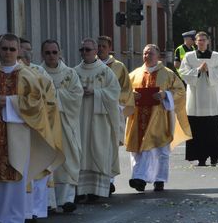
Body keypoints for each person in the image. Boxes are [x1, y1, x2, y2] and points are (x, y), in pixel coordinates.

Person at [0, 34, 63, 223]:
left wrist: (8, 102)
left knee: (15, 178)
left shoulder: (27, 75)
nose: (8, 53)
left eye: (12, 49)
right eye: (4, 48)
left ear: (18, 51)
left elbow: (36, 103)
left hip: (17, 135)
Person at [126, 44, 191, 192]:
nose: (146, 56)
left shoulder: (168, 74)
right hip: (138, 117)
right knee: (138, 149)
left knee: (161, 150)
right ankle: (139, 178)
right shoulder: (135, 74)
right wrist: (131, 96)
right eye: (144, 53)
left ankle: (159, 179)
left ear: (158, 56)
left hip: (160, 116)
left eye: (150, 53)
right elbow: (124, 92)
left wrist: (165, 95)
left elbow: (180, 91)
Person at [74, 38, 121, 202]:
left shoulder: (105, 71)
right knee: (80, 152)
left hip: (99, 120)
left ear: (95, 52)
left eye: (88, 50)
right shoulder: (74, 72)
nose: (85, 53)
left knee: (98, 150)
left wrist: (95, 92)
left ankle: (96, 190)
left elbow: (114, 93)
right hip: (79, 119)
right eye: (83, 50)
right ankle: (79, 191)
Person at [41, 40, 83, 213]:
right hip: (45, 123)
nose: (51, 56)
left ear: (60, 52)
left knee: (67, 157)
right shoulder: (38, 72)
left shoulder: (70, 73)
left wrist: (54, 95)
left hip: (66, 122)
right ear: (42, 54)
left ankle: (66, 199)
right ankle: (49, 201)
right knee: (47, 159)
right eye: (48, 52)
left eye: (54, 52)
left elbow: (77, 95)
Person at [179, 31, 218, 166]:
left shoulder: (217, 57)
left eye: (203, 40)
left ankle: (215, 156)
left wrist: (209, 71)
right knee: (197, 130)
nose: (201, 42)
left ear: (208, 42)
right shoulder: (189, 57)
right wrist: (198, 70)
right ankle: (200, 157)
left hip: (212, 98)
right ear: (195, 42)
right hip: (195, 99)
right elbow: (183, 73)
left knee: (213, 129)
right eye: (198, 40)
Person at [97, 35, 134, 194]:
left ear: (109, 48)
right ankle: (97, 180)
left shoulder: (118, 67)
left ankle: (110, 180)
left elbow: (126, 89)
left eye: (103, 46)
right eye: (98, 46)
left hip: (112, 110)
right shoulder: (89, 65)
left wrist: (116, 100)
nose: (100, 49)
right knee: (96, 146)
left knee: (111, 145)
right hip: (94, 112)